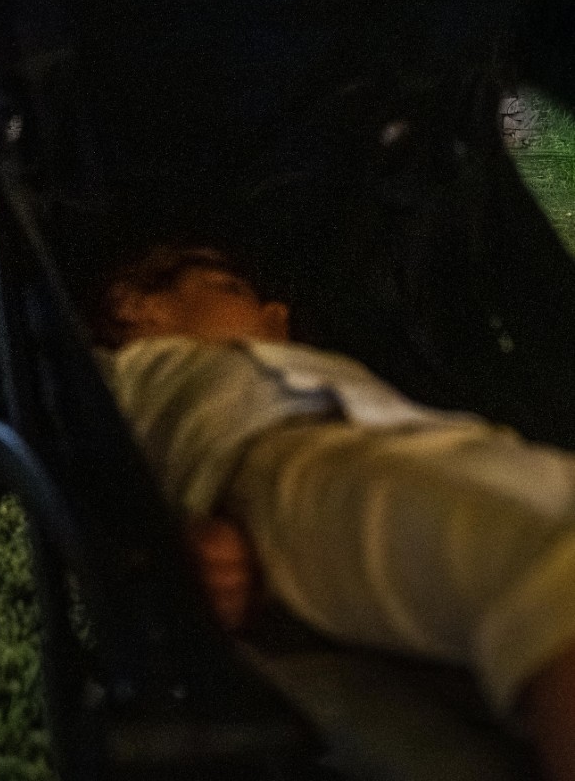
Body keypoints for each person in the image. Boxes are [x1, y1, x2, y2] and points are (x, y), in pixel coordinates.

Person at [95, 244, 575, 780]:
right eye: (228, 289)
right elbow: (89, 474)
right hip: (287, 455)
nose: (278, 312)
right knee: (538, 553)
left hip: (428, 444)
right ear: (136, 304)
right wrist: (174, 543)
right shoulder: (125, 371)